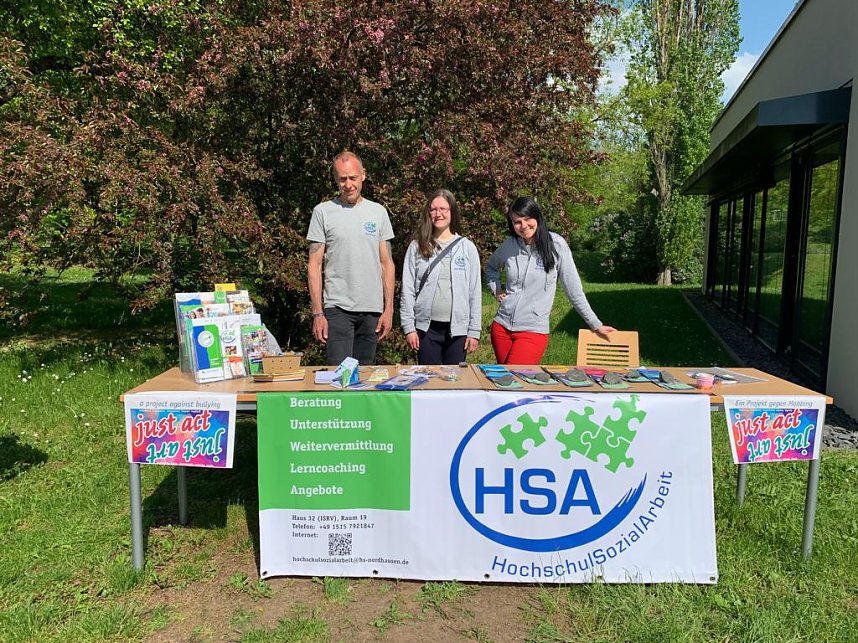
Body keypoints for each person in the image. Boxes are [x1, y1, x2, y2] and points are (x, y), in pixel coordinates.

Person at [486, 196, 615, 364]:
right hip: (501, 327)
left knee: (514, 377)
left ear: (537, 216)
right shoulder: (510, 244)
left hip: (532, 331)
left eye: (527, 218)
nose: (523, 226)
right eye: (517, 222)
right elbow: (491, 267)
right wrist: (496, 290)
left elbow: (574, 290)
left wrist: (595, 324)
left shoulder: (557, 245)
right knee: (502, 379)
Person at [306, 151, 395, 365]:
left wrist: (389, 309)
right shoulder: (323, 212)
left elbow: (386, 264)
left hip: (371, 310)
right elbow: (314, 266)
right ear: (335, 179)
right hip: (338, 309)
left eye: (353, 178)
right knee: (339, 377)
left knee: (364, 376)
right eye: (342, 179)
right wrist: (318, 313)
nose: (348, 185)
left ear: (363, 175)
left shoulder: (378, 212)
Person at [400, 189, 482, 365]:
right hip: (426, 330)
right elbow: (407, 289)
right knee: (428, 379)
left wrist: (474, 331)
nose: (438, 214)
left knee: (454, 379)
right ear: (428, 213)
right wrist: (409, 328)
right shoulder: (417, 247)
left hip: (458, 332)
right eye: (433, 209)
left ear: (452, 211)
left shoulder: (467, 248)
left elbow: (475, 292)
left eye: (443, 209)